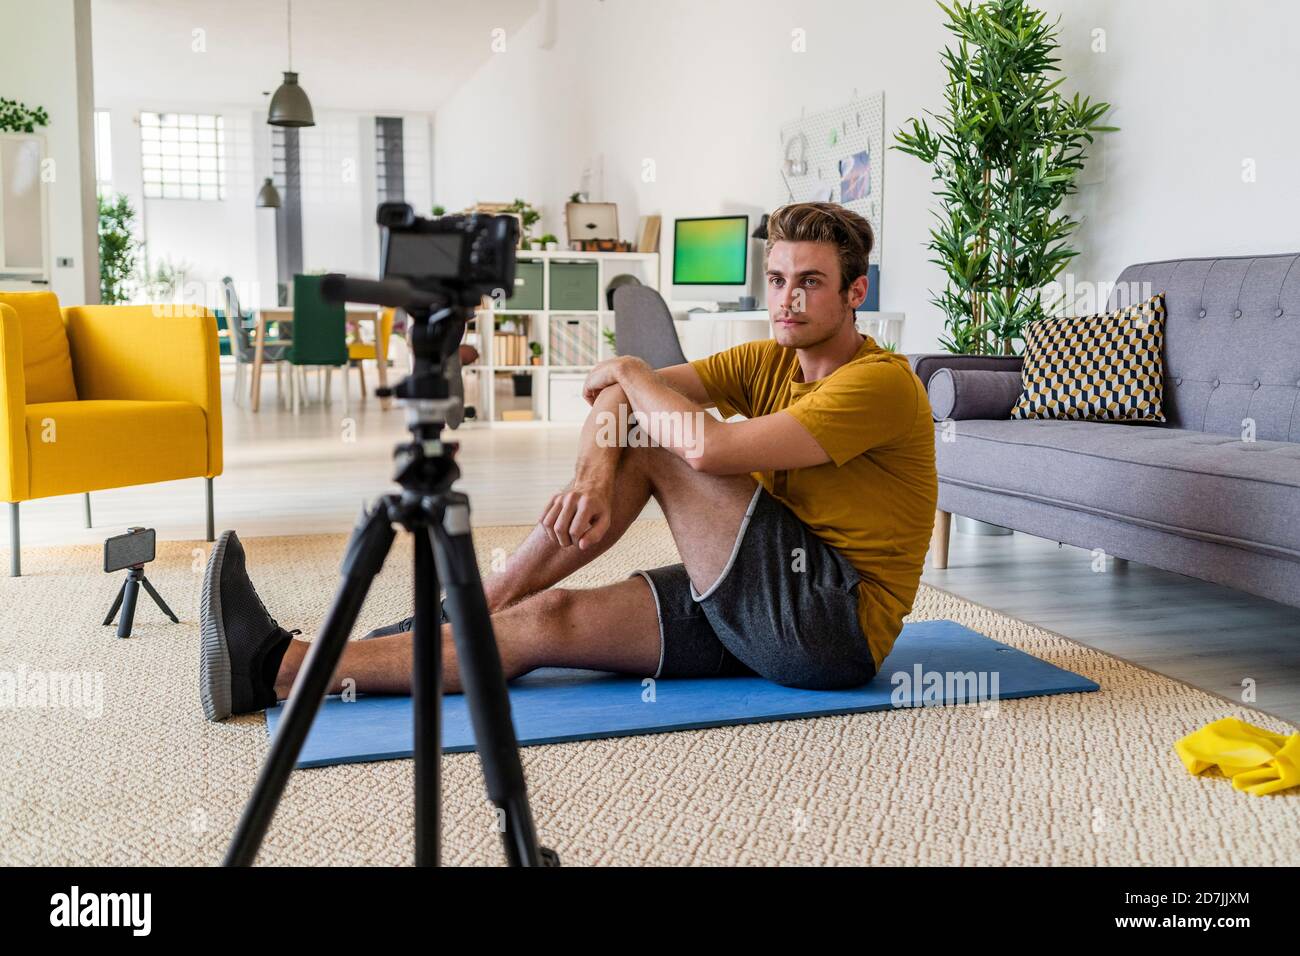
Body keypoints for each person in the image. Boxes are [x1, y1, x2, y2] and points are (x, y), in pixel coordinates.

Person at [199, 201, 938, 722]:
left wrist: (629, 370)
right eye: (777, 280)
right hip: (760, 593)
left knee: (661, 439)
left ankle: (471, 603)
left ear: (855, 292)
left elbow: (703, 447)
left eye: (809, 282)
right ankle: (281, 668)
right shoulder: (768, 359)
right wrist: (591, 473)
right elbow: (612, 404)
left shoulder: (880, 384)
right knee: (545, 618)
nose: (787, 300)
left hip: (829, 623)